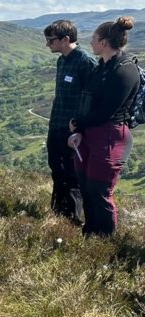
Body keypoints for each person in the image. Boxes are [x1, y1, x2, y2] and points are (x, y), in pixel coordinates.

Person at [68, 17, 139, 237]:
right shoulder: (102, 67)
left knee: (99, 189)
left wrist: (79, 124)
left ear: (104, 42)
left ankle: (106, 240)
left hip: (111, 136)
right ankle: (90, 234)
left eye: (94, 38)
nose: (90, 42)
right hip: (91, 134)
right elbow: (89, 103)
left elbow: (107, 111)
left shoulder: (125, 71)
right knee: (86, 185)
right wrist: (79, 131)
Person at [44, 20, 96, 223]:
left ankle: (72, 219)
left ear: (65, 40)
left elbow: (92, 99)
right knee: (57, 169)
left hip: (72, 130)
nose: (47, 44)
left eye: (51, 40)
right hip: (56, 125)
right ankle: (58, 214)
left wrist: (80, 129)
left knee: (72, 174)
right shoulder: (62, 60)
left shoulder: (85, 62)